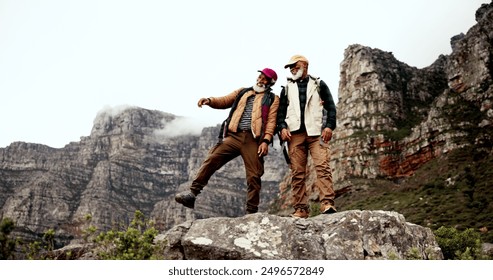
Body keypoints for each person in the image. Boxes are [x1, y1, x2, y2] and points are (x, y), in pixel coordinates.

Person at [175, 68, 280, 215]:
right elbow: (225, 100)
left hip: (253, 140)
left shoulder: (273, 99)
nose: (260, 80)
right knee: (212, 159)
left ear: (270, 83)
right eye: (260, 76)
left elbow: (271, 122)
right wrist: (210, 101)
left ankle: (251, 212)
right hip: (234, 136)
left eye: (264, 78)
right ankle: (192, 193)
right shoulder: (243, 92)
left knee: (254, 176)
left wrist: (266, 141)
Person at [276, 55, 337, 218]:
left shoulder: (319, 84)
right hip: (294, 135)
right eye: (290, 67)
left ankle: (327, 204)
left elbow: (331, 107)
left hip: (316, 133)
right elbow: (280, 113)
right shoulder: (287, 88)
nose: (292, 69)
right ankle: (301, 209)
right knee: (297, 172)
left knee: (323, 167)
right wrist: (282, 127)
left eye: (294, 66)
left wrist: (329, 126)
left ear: (304, 65)